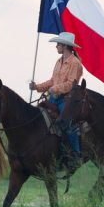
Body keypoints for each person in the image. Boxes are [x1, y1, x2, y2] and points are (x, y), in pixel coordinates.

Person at [30, 32, 85, 166]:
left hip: (67, 100)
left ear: (65, 46)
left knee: (67, 124)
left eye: (58, 44)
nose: (56, 47)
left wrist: (54, 89)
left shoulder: (75, 63)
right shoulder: (58, 61)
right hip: (53, 99)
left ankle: (76, 155)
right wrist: (37, 87)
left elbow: (71, 84)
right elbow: (52, 81)